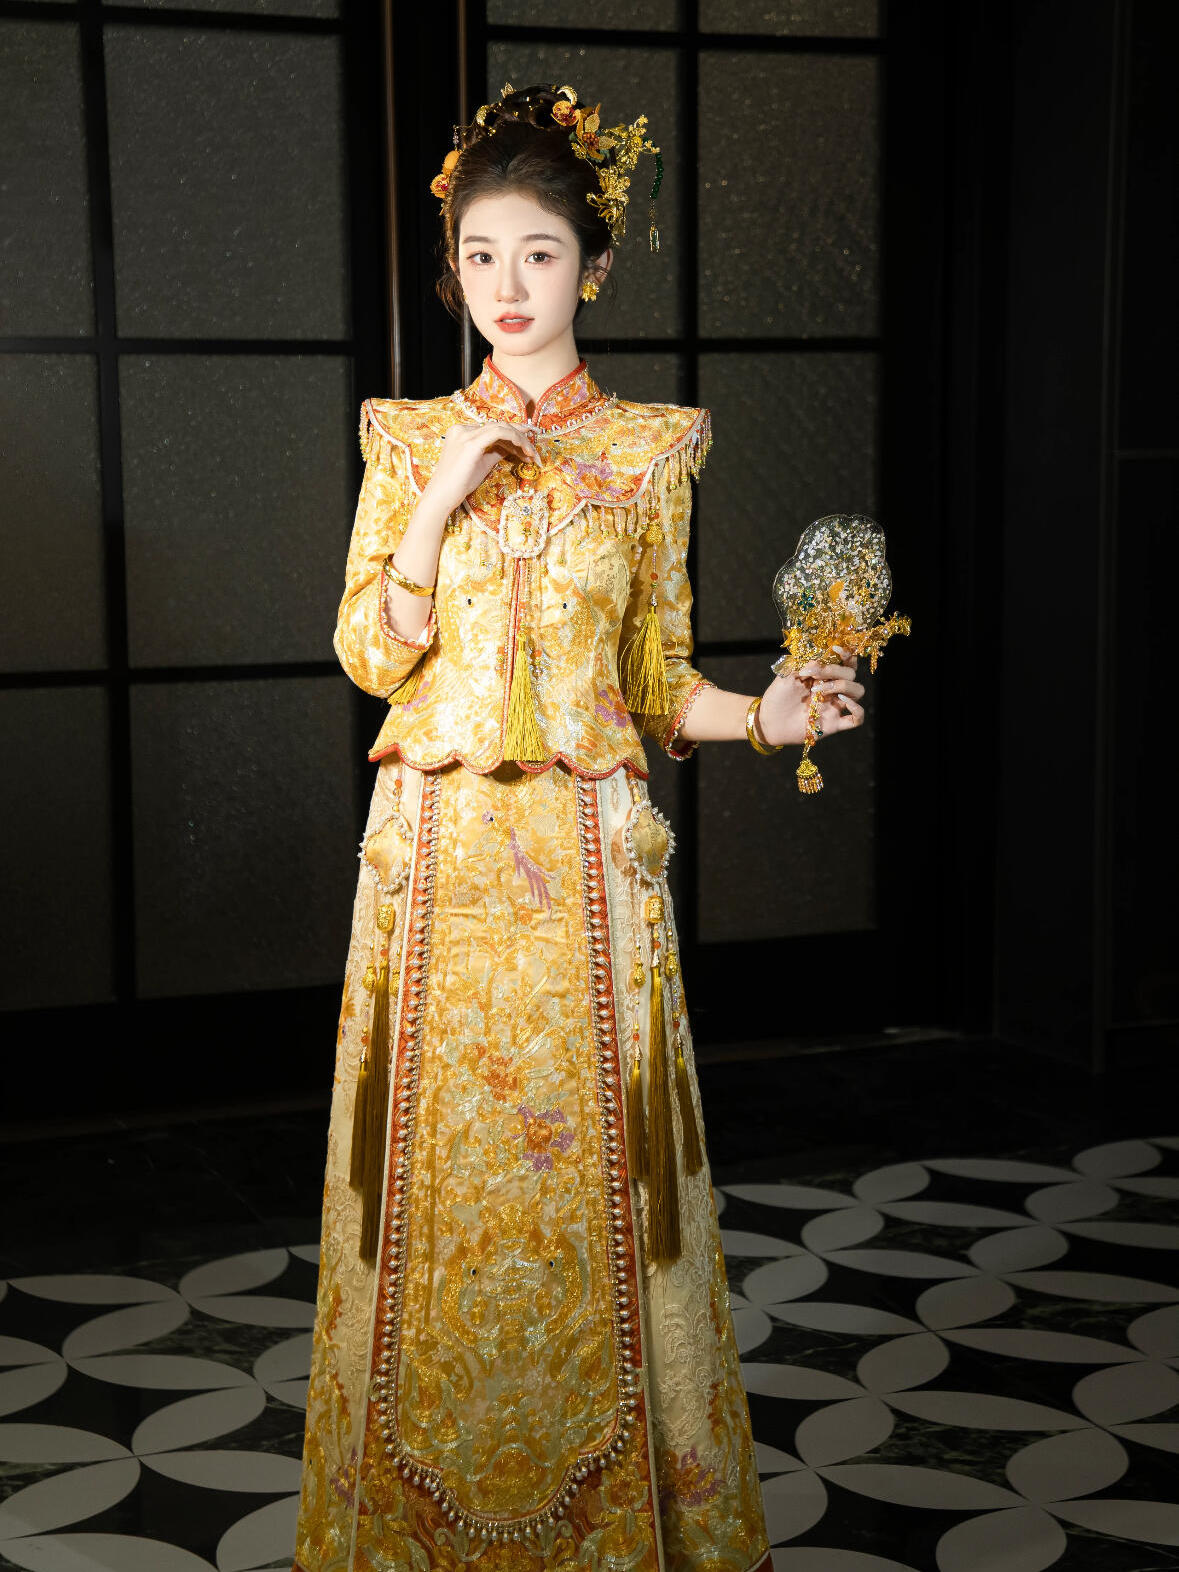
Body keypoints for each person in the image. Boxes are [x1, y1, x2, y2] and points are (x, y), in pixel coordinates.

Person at [293, 82, 865, 1572]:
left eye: (538, 255)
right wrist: (438, 501)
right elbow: (367, 656)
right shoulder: (406, 439)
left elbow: (658, 682)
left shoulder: (654, 450)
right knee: (423, 1193)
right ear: (454, 271)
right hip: (433, 867)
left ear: (591, 267)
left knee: (607, 1188)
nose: (508, 286)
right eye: (481, 257)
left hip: (589, 874)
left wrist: (772, 717)